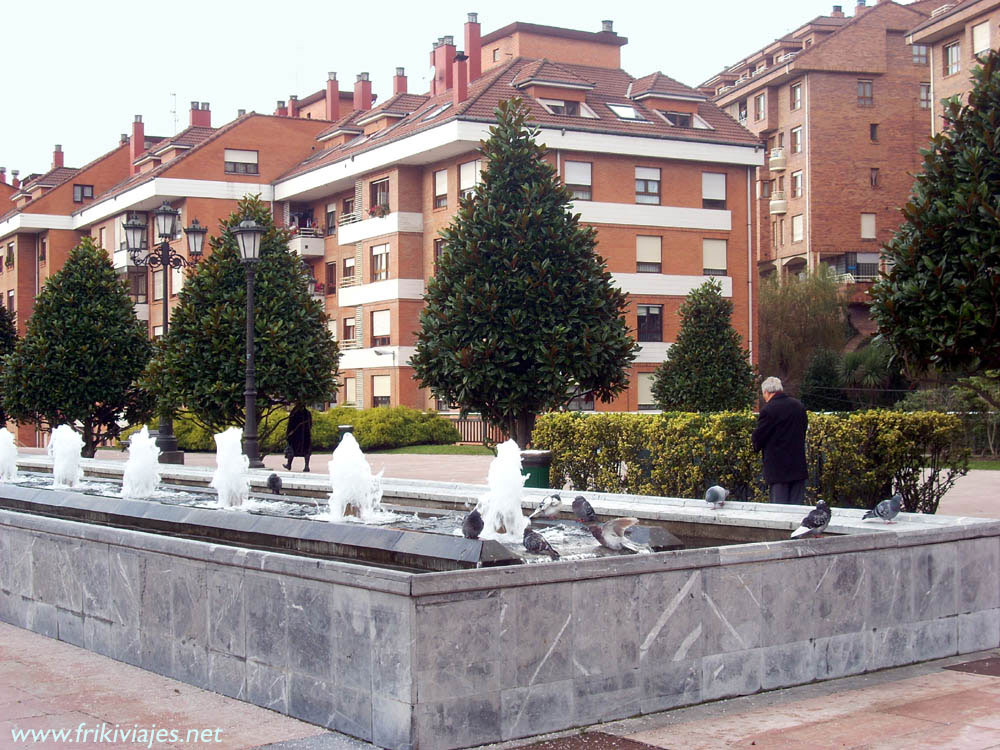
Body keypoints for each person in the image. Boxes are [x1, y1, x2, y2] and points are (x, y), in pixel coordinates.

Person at [751, 376, 808, 504]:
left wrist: (755, 446)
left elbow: (759, 437)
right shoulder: (798, 406)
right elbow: (803, 430)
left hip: (778, 470)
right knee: (796, 510)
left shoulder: (768, 410)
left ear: (766, 392)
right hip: (798, 466)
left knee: (779, 511)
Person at [283, 403, 313, 472]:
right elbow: (310, 424)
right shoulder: (307, 413)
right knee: (306, 451)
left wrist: (288, 434)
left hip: (295, 435)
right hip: (306, 434)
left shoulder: (294, 412)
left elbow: (290, 424)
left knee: (291, 449)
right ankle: (306, 466)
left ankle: (289, 464)